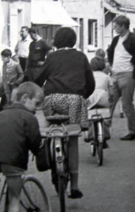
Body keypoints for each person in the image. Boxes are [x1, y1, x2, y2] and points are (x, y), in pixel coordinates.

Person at [35, 27, 95, 199]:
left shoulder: (51, 57)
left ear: (57, 41)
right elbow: (90, 82)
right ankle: (74, 186)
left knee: (47, 131)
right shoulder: (82, 57)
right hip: (74, 100)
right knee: (73, 140)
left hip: (52, 99)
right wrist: (82, 96)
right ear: (74, 40)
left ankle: (49, 150)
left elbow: (39, 78)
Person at [0, 82, 44, 212]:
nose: (36, 109)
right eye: (36, 103)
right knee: (14, 198)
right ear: (24, 99)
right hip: (13, 160)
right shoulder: (30, 118)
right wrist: (41, 157)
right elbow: (35, 142)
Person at [107, 15, 135, 141]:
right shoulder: (116, 39)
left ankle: (134, 131)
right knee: (109, 102)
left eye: (116, 26)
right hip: (115, 75)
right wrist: (111, 64)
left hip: (127, 75)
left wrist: (132, 61)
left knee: (126, 105)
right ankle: (103, 132)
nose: (114, 28)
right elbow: (110, 51)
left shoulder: (133, 38)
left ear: (123, 26)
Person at [86, 50, 111, 148]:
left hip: (91, 98)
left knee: (87, 115)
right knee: (105, 117)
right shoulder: (106, 77)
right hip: (103, 98)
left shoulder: (89, 76)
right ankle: (105, 135)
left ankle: (90, 135)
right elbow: (111, 89)